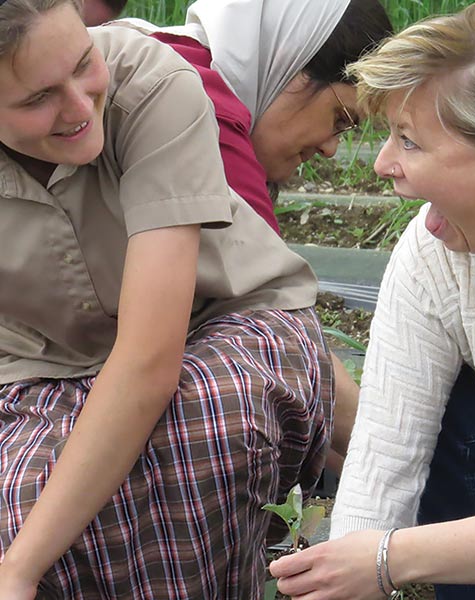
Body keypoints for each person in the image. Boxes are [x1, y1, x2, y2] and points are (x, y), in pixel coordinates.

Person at [0, 0, 336, 597]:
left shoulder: (154, 82)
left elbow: (151, 362)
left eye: (84, 62)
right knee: (26, 499)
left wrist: (18, 571)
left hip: (226, 324)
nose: (80, 106)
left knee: (195, 432)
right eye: (36, 99)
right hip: (47, 363)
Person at [269, 0, 475, 598]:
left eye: (409, 140)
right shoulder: (434, 250)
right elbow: (386, 450)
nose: (381, 163)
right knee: (453, 412)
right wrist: (348, 573)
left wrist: (389, 559)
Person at [115, 0, 392, 473]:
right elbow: (280, 321)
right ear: (290, 65)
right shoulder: (200, 106)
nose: (330, 148)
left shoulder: (172, 59)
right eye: (340, 118)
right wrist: (410, 463)